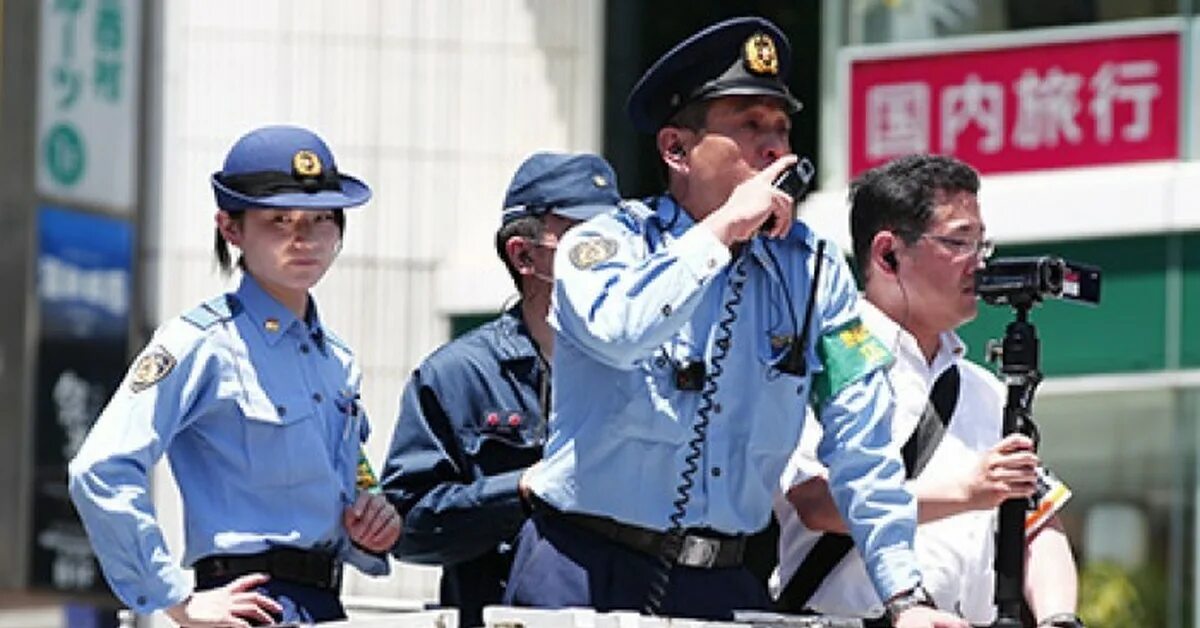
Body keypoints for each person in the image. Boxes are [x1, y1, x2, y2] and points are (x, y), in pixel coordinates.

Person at [502, 16, 968, 627]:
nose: (775, 148)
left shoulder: (814, 272)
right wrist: (721, 231)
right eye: (749, 126)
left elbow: (862, 444)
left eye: (781, 128)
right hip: (583, 565)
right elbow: (620, 332)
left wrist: (905, 597)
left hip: (724, 579)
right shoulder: (608, 243)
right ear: (676, 149)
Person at [68, 125, 402, 626]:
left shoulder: (336, 359)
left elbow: (352, 471)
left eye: (320, 219)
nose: (304, 238)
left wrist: (374, 515)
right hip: (248, 604)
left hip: (326, 603)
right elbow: (99, 468)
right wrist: (174, 598)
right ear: (231, 228)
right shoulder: (200, 342)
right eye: (279, 220)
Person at [772, 154, 1083, 627]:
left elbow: (1038, 520)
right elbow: (816, 503)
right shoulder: (824, 363)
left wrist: (1060, 617)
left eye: (982, 243)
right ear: (888, 253)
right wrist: (967, 491)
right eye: (959, 241)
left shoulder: (985, 388)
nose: (979, 263)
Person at [379, 152, 623, 628]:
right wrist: (521, 490)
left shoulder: (646, 368)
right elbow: (407, 529)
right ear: (524, 254)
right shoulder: (458, 375)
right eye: (586, 239)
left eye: (619, 239)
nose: (611, 255)